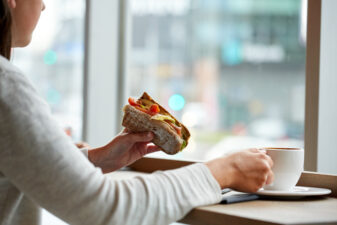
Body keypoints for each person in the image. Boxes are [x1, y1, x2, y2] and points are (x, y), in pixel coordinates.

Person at [0, 0, 274, 224]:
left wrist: (95, 160)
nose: (45, 5)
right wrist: (223, 170)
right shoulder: (6, 86)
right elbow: (104, 208)